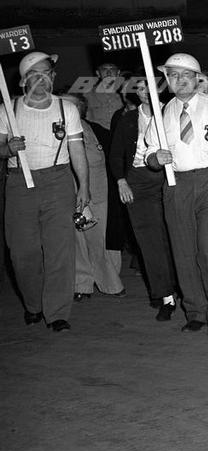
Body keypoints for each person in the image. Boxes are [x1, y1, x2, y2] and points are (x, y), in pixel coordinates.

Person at [0, 52, 91, 332]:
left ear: (53, 77)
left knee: (60, 250)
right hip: (20, 183)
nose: (42, 79)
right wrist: (7, 149)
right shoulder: (8, 110)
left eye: (47, 73)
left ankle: (58, 312)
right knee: (22, 253)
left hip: (58, 181)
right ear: (23, 80)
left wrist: (84, 186)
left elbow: (77, 150)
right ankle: (33, 304)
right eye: (34, 74)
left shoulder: (67, 109)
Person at [145, 53, 208, 336]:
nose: (180, 80)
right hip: (177, 183)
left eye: (186, 75)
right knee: (183, 251)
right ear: (167, 80)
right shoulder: (161, 113)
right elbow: (148, 152)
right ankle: (195, 311)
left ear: (197, 79)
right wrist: (155, 158)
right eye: (173, 75)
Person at [110, 82, 177, 319]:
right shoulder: (128, 119)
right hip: (138, 182)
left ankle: (181, 285)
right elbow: (116, 154)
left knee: (175, 237)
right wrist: (121, 181)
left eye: (151, 86)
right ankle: (165, 295)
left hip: (170, 179)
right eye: (140, 88)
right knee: (150, 241)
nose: (146, 92)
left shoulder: (173, 111)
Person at [70, 96, 124, 301]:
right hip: (68, 190)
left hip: (99, 190)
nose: (69, 108)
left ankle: (110, 282)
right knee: (76, 239)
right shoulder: (55, 130)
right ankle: (81, 284)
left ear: (82, 108)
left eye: (74, 105)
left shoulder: (96, 130)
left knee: (99, 237)